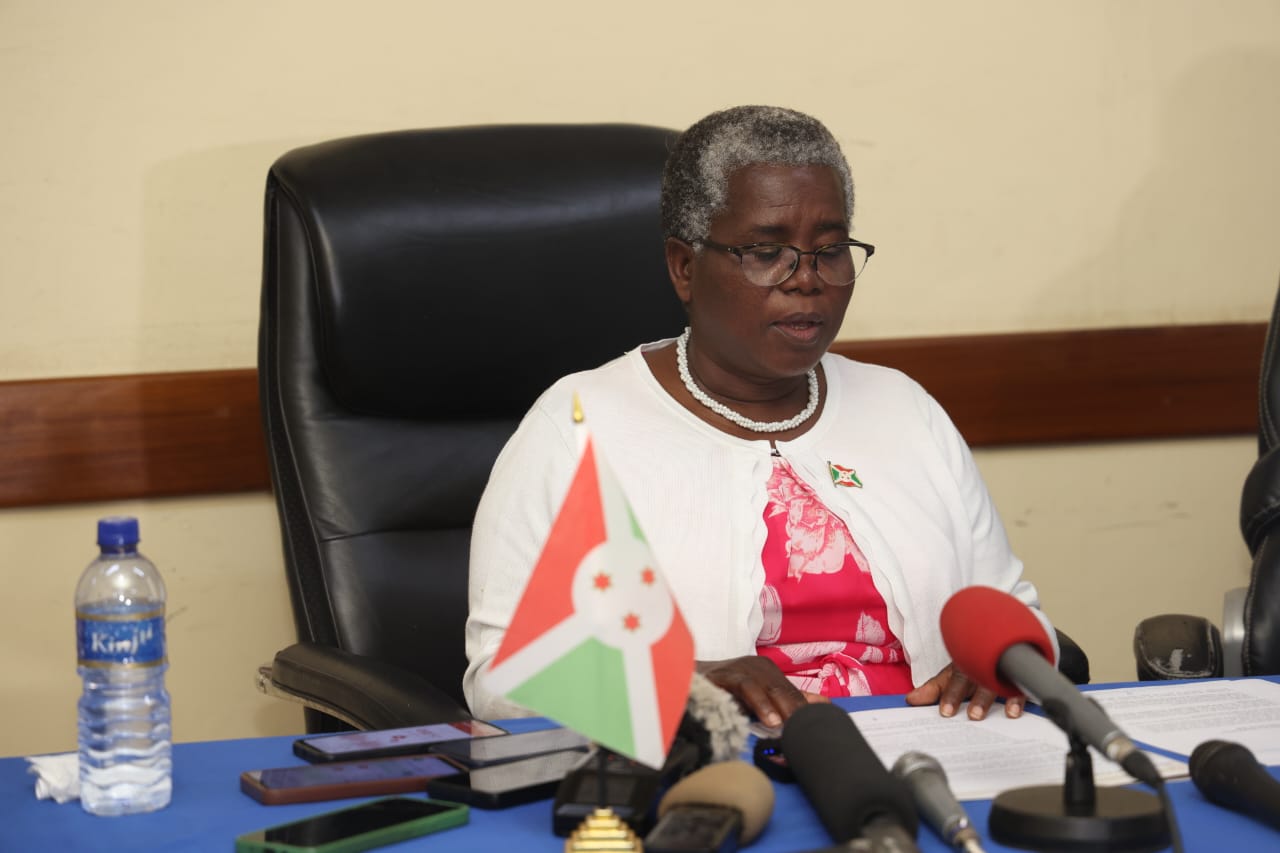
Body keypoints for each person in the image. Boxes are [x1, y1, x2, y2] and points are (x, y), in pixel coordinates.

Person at [463, 105, 1058, 729]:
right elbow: (501, 674)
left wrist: (1000, 662)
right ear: (685, 267)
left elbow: (1014, 613)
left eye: (830, 250)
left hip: (935, 755)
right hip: (717, 770)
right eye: (768, 251)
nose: (807, 280)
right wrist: (685, 684)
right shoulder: (579, 425)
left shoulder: (904, 409)